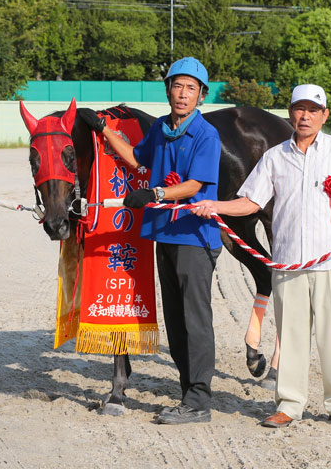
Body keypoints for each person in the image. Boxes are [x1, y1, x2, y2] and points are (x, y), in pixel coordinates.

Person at [192, 84, 331, 428]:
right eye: (299, 109)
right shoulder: (274, 157)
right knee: (291, 334)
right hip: (287, 261)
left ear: (324, 115)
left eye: (313, 110)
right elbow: (251, 202)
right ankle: (289, 403)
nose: (305, 116)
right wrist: (215, 205)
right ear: (290, 113)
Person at [84, 57, 222, 424]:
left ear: (201, 96)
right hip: (166, 233)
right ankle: (188, 395)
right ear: (168, 91)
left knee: (195, 320)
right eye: (177, 86)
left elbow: (195, 185)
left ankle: (198, 403)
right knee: (175, 321)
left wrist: (156, 193)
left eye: (191, 88)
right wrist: (103, 128)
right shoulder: (161, 128)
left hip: (195, 236)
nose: (183, 93)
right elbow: (135, 158)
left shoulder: (206, 134)